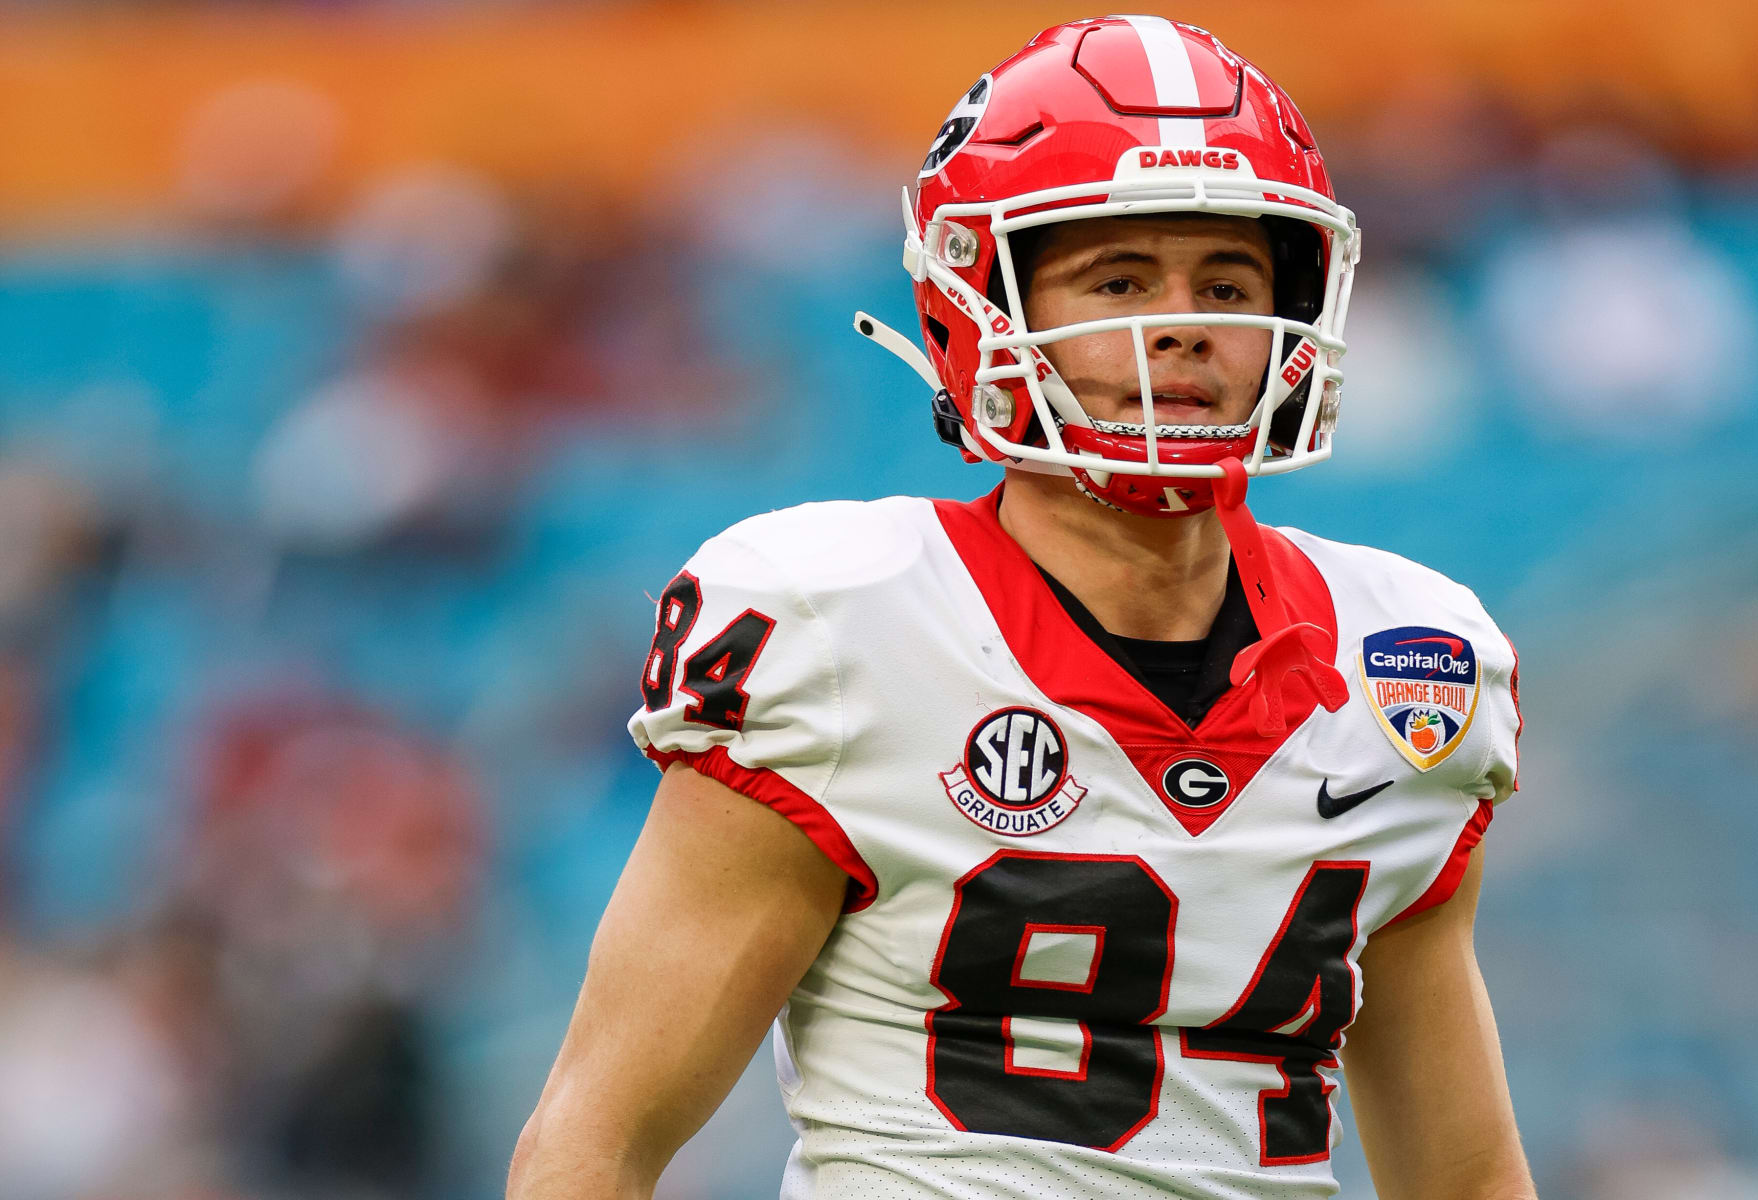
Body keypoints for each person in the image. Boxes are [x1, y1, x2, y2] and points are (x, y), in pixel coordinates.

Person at [509, 15, 1533, 1200]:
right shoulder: (842, 629)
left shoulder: (1410, 662)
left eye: (1229, 280)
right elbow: (595, 1141)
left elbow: (1463, 1178)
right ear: (983, 308)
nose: (1186, 323)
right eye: (1119, 278)